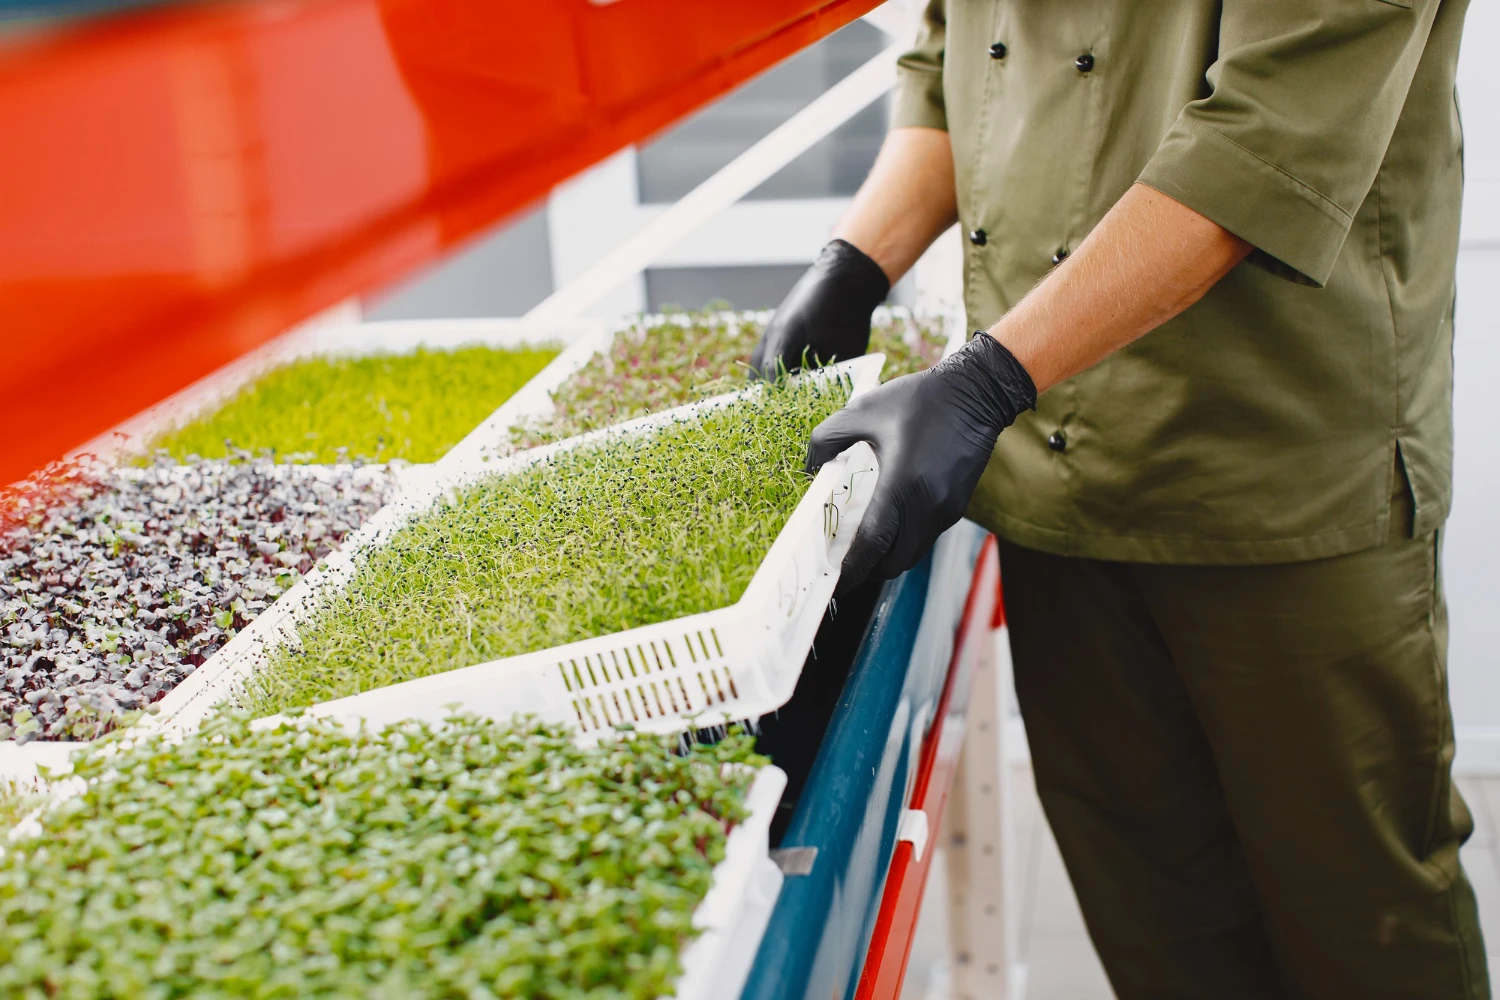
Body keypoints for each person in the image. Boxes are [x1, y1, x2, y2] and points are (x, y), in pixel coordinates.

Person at [751, 1, 1484, 997]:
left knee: (1361, 929)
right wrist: (855, 263)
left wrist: (983, 382)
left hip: (1276, 474)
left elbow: (1265, 142)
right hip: (1056, 477)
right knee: (1155, 922)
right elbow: (950, 55)